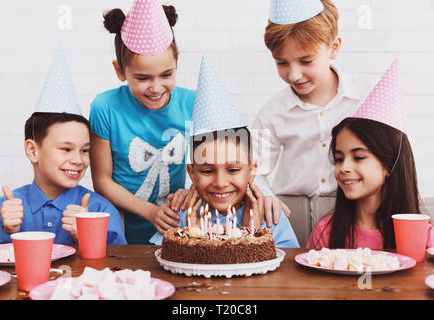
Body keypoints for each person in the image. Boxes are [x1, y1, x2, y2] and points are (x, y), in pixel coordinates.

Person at [150, 57, 299, 248]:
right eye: (207, 171)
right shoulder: (181, 215)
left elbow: (286, 270)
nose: (220, 183)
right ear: (191, 173)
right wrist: (190, 240)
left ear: (252, 170)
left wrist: (252, 233)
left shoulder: (269, 216)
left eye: (233, 169)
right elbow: (159, 262)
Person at [252, 0, 378, 227]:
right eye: (282, 63)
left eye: (306, 61)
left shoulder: (368, 94)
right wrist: (266, 195)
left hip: (356, 214)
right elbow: (252, 169)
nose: (294, 75)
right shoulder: (272, 111)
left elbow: (395, 157)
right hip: (292, 214)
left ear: (334, 47)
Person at [89, 0, 195, 244]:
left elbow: (210, 166)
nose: (156, 88)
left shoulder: (193, 103)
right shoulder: (105, 108)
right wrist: (150, 211)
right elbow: (102, 181)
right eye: (143, 78)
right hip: (121, 227)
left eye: (166, 75)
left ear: (177, 62)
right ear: (120, 71)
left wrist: (193, 190)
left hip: (175, 226)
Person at [0, 47, 126, 244]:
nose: (78, 160)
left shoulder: (101, 211)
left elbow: (120, 271)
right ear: (33, 151)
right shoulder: (5, 208)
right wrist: (6, 230)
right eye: (66, 149)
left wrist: (88, 236)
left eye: (85, 150)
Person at [306, 60, 434, 249]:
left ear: (389, 164)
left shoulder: (424, 236)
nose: (344, 168)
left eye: (358, 157)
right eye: (339, 159)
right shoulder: (325, 232)